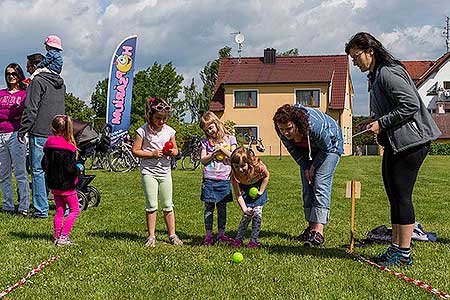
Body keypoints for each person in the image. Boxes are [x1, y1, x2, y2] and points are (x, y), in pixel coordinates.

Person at [345, 32, 441, 267]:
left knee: (402, 196)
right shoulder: (375, 75)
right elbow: (389, 107)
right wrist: (371, 122)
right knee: (394, 195)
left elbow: (409, 104)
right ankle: (396, 248)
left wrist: (382, 123)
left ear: (370, 51)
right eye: (352, 58)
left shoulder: (388, 73)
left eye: (356, 56)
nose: (354, 62)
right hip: (396, 143)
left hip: (412, 142)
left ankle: (404, 253)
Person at [273, 104, 343, 247]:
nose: (285, 133)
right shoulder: (280, 128)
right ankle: (310, 228)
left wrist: (313, 167)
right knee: (307, 185)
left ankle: (318, 230)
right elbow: (292, 149)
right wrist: (305, 167)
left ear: (297, 124)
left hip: (330, 146)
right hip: (307, 150)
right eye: (282, 129)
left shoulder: (314, 126)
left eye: (289, 129)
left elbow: (326, 148)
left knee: (320, 182)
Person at [18, 53, 66, 219]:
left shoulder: (37, 81)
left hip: (39, 131)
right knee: (56, 170)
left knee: (38, 171)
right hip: (58, 132)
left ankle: (41, 210)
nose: (26, 69)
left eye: (28, 66)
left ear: (34, 66)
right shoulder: (60, 83)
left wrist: (23, 129)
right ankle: (64, 208)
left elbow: (31, 109)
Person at [131, 97, 183, 247]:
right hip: (149, 172)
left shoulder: (170, 131)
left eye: (164, 118)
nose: (161, 121)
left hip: (165, 172)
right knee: (152, 205)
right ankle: (151, 236)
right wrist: (152, 154)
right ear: (150, 116)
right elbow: (135, 151)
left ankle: (172, 235)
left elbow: (176, 149)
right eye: (158, 118)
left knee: (168, 204)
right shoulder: (142, 131)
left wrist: (172, 152)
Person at [199, 111, 237, 246]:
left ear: (217, 123)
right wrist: (212, 154)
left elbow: (234, 156)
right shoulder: (205, 143)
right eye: (206, 130)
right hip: (209, 179)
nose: (210, 131)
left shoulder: (230, 139)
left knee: (222, 208)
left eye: (211, 127)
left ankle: (221, 234)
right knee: (208, 208)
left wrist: (221, 149)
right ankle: (208, 235)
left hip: (224, 179)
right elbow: (203, 160)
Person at [41, 115, 80, 246]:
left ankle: (57, 236)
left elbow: (44, 165)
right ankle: (64, 237)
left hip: (54, 185)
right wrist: (78, 170)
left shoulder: (48, 146)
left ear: (53, 129)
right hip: (67, 186)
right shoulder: (68, 148)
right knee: (75, 210)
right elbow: (70, 170)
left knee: (60, 210)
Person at [0, 63, 30, 216]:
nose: (10, 76)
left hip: (17, 135)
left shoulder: (24, 94)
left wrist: (8, 115)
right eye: (8, 74)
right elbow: (6, 115)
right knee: (3, 173)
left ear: (19, 75)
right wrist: (11, 115)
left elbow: (23, 113)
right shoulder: (1, 93)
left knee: (20, 172)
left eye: (13, 73)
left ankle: (24, 206)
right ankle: (8, 205)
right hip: (1, 135)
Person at [229, 147, 270, 249]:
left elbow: (266, 176)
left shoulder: (258, 167)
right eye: (236, 166)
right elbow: (238, 195)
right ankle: (238, 240)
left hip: (258, 191)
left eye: (243, 166)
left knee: (257, 214)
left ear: (249, 163)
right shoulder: (234, 176)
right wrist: (244, 209)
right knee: (246, 217)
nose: (240, 169)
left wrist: (260, 191)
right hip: (246, 193)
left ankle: (253, 241)